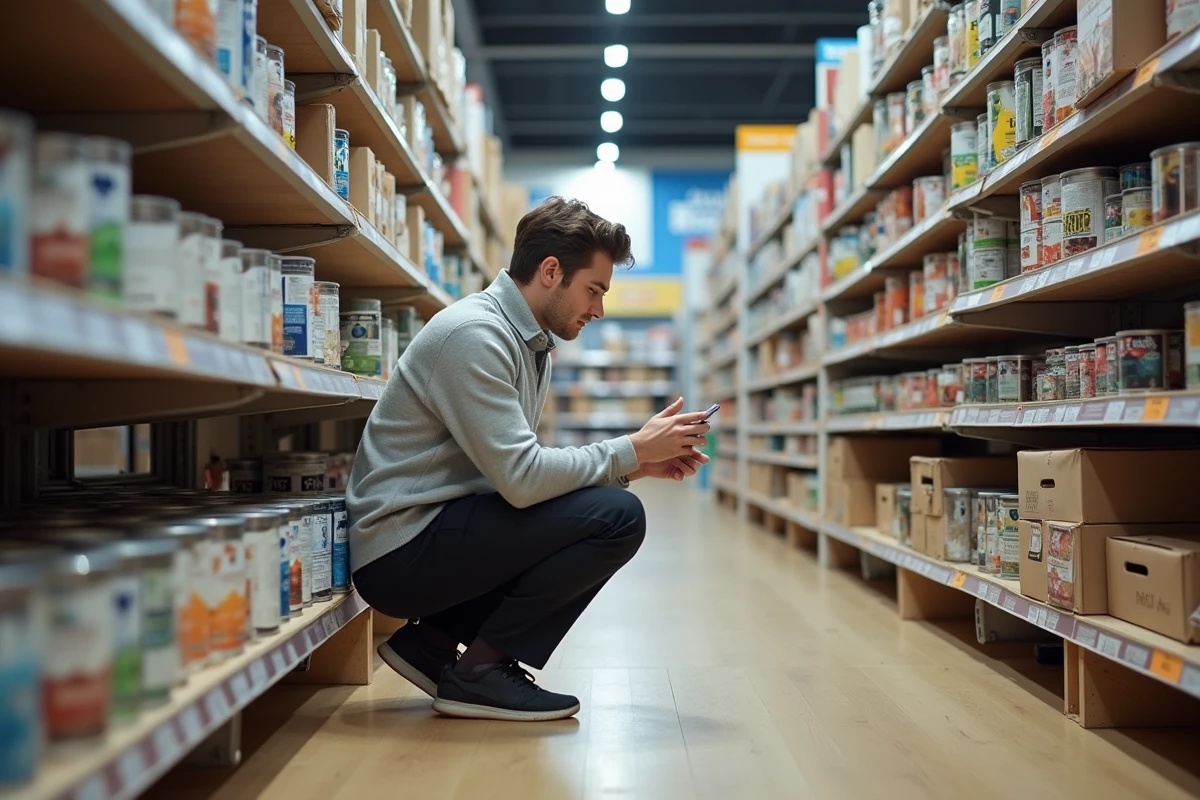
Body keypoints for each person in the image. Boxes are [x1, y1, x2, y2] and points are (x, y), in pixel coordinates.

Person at [346, 197, 711, 722]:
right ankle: (479, 673)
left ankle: (432, 644)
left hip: (431, 532)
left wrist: (633, 465)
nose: (599, 310)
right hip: (399, 552)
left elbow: (518, 469)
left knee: (603, 502)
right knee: (617, 518)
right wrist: (629, 449)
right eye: (595, 290)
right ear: (550, 271)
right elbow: (520, 480)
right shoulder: (476, 335)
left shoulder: (527, 339)